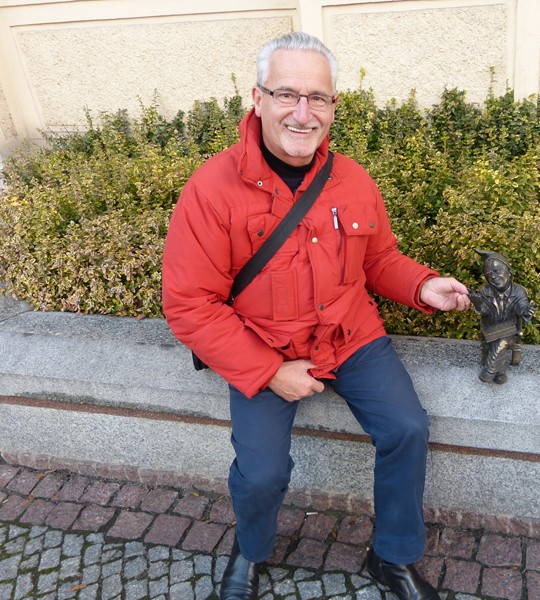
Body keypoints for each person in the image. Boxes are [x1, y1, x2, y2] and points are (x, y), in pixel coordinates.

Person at [161, 31, 471, 600]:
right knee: (262, 474)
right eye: (286, 94)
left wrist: (423, 286)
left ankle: (393, 557)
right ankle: (251, 550)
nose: (302, 113)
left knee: (407, 428)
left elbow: (378, 259)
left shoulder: (353, 179)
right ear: (257, 99)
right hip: (263, 347)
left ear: (333, 106)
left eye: (318, 98)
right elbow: (189, 305)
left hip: (351, 336)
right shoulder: (210, 190)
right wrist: (269, 372)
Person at [468, 250, 535, 384]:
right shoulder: (485, 290)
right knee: (499, 340)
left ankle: (489, 372)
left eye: (496, 271)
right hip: (491, 327)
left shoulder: (519, 292)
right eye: (488, 274)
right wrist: (478, 303)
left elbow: (521, 308)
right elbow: (485, 311)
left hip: (510, 330)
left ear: (508, 272)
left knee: (503, 340)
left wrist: (527, 310)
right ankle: (500, 372)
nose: (493, 277)